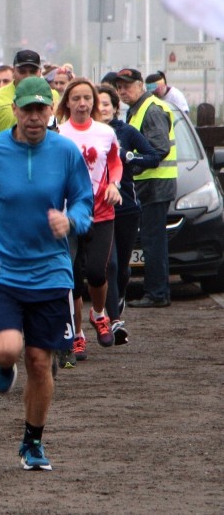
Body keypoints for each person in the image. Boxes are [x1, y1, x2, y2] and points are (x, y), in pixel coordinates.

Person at [0, 76, 93, 471]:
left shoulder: (66, 152)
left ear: (52, 112)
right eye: (27, 109)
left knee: (39, 361)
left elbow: (84, 198)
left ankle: (32, 442)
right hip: (0, 269)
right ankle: (0, 364)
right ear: (14, 110)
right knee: (9, 349)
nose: (34, 117)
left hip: (50, 272)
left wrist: (73, 220)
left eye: (41, 109)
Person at [55, 79, 123, 367]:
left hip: (101, 210)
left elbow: (115, 162)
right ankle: (77, 334)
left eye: (87, 98)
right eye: (76, 98)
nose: (82, 103)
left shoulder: (106, 132)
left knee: (97, 271)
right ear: (67, 102)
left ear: (94, 102)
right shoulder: (58, 134)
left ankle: (99, 314)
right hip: (69, 215)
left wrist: (115, 185)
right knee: (71, 277)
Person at [97, 84, 159, 346]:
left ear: (115, 107)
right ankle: (114, 321)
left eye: (106, 104)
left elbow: (153, 157)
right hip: (100, 209)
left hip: (127, 207)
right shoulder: (88, 134)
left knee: (122, 268)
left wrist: (128, 156)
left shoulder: (127, 132)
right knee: (108, 265)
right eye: (97, 104)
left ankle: (118, 299)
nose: (101, 109)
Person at [114, 68, 176, 308]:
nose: (122, 90)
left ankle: (157, 293)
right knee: (152, 239)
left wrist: (131, 164)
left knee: (153, 240)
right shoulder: (138, 109)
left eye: (127, 86)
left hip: (156, 182)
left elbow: (160, 149)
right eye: (119, 86)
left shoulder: (150, 109)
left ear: (141, 85)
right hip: (151, 182)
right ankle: (158, 292)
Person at [0, 50, 57, 136]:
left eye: (33, 71)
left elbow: (62, 128)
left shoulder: (52, 96)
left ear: (40, 72)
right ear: (13, 71)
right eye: (22, 72)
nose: (27, 76)